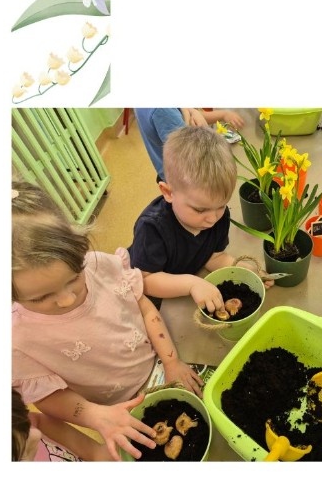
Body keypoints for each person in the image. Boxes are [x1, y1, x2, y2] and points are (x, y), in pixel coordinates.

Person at [12, 182, 201, 463]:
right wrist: (95, 415)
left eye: (74, 278)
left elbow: (143, 307)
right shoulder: (18, 340)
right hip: (119, 409)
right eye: (41, 298)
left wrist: (171, 361)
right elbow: (47, 397)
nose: (66, 299)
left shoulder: (100, 266)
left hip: (161, 361)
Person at [128, 126, 272, 311]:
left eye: (221, 206)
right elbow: (145, 280)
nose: (212, 219)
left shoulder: (219, 217)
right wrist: (191, 284)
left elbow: (213, 257)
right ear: (168, 193)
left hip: (183, 291)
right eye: (200, 210)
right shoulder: (152, 228)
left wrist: (244, 270)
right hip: (145, 295)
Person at [135, 108, 246, 182]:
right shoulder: (163, 110)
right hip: (188, 181)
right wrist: (209, 132)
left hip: (173, 173)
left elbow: (187, 115)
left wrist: (222, 114)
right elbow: (191, 152)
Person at [12, 387, 108, 461]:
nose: (36, 434)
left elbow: (96, 454)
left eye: (26, 428)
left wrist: (100, 454)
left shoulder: (19, 422)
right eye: (24, 451)